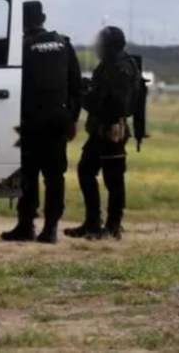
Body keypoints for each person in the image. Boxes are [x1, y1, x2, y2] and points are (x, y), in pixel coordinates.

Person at [0, 0, 82, 244]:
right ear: (43, 18)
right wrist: (72, 120)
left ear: (22, 22)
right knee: (55, 177)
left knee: (29, 175)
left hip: (31, 121)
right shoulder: (64, 44)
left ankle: (26, 225)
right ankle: (51, 228)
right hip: (58, 119)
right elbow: (76, 86)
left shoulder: (21, 46)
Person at [65, 25, 140, 241]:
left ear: (108, 45)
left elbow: (118, 102)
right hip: (100, 128)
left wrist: (88, 98)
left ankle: (113, 226)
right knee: (86, 170)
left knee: (113, 179)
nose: (96, 47)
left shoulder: (120, 67)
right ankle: (92, 223)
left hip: (112, 130)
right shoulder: (108, 65)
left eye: (100, 43)